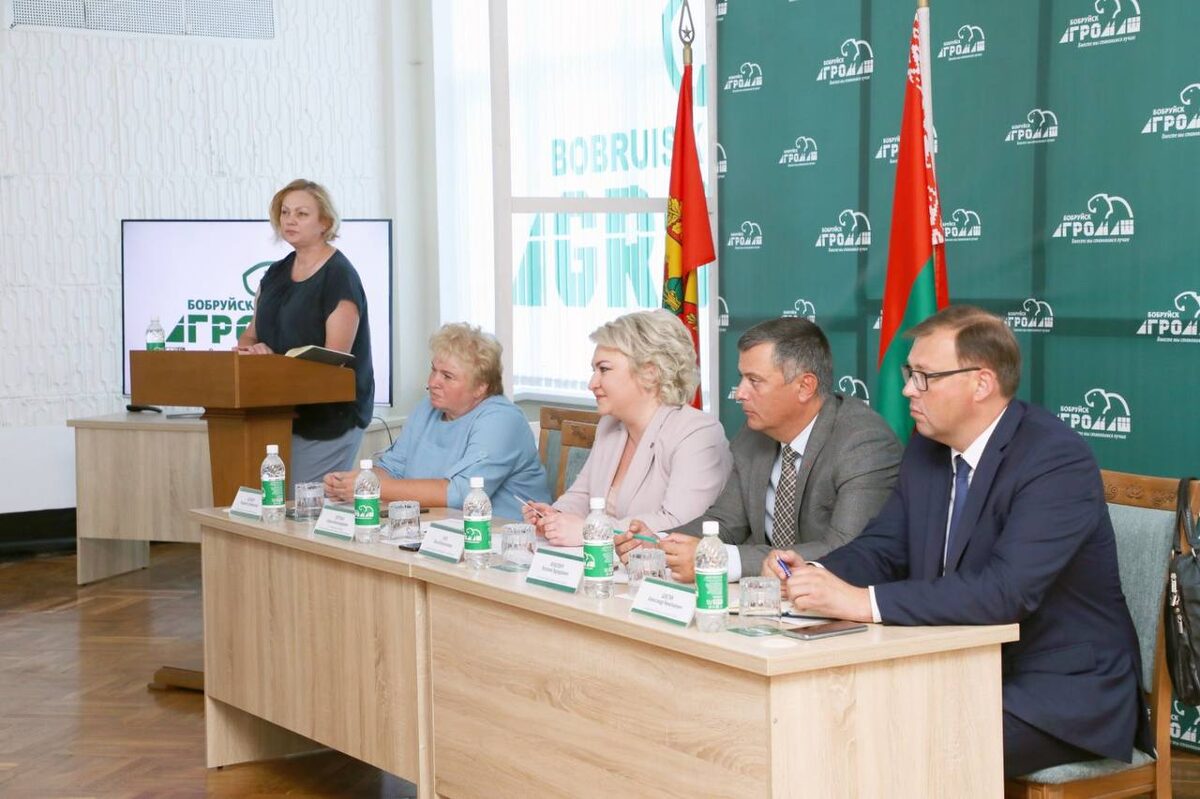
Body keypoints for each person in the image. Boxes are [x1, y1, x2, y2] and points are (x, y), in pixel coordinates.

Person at [765, 305, 1148, 778]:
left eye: (924, 377)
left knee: (898, 745)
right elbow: (885, 545)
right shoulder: (928, 446)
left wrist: (863, 602)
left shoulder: (1054, 459)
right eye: (909, 374)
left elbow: (1006, 592)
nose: (908, 389)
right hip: (957, 667)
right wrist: (815, 574)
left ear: (981, 383)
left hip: (1058, 691)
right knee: (828, 723)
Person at [624, 317, 901, 582]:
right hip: (766, 598)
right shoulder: (754, 434)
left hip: (839, 603)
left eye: (754, 381)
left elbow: (847, 549)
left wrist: (721, 559)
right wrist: (661, 542)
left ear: (805, 386)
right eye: (742, 378)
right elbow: (726, 522)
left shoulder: (863, 443)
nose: (739, 393)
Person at [522, 310, 731, 545]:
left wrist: (591, 531)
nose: (592, 383)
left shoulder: (697, 432)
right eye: (593, 371)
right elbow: (582, 496)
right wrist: (554, 516)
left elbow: (680, 522)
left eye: (604, 369)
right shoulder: (610, 425)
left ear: (650, 373)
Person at [324, 323, 547, 519]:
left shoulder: (502, 420)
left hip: (504, 537)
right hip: (436, 530)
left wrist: (371, 486)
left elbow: (462, 493)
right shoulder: (427, 408)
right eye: (434, 370)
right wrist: (353, 482)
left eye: (447, 376)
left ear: (481, 387)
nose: (432, 382)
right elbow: (393, 468)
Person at [237, 179, 374, 488]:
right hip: (277, 413)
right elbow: (249, 335)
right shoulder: (275, 273)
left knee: (300, 504)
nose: (290, 220)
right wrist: (252, 351)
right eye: (285, 212)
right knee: (272, 501)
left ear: (324, 222)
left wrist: (275, 363)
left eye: (301, 214)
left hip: (328, 419)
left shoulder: (339, 276)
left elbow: (334, 360)